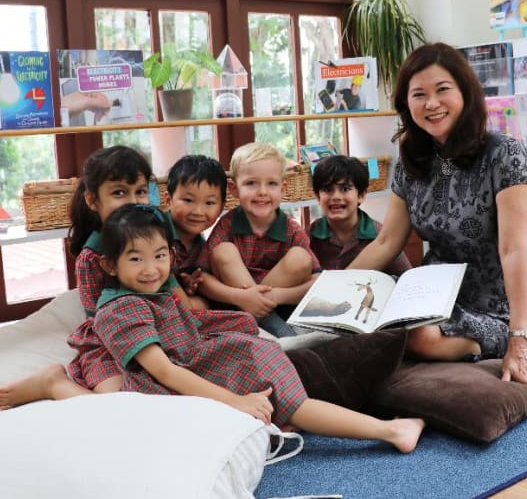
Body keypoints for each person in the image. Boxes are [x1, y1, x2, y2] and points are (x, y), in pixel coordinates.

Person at [26, 204, 426, 451]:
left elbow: (187, 324)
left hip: (193, 361)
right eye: (136, 259)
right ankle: (56, 385)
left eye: (160, 256)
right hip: (161, 379)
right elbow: (163, 371)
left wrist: (237, 324)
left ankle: (388, 429)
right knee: (115, 415)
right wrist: (233, 401)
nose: (152, 269)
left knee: (286, 390)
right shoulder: (118, 311)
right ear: (111, 266)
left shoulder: (158, 295)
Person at [348, 42, 527, 393]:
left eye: (442, 89)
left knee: (419, 337)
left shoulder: (505, 155)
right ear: (407, 105)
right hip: (431, 293)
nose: (431, 103)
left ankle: (487, 342)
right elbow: (387, 241)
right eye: (419, 94)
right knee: (372, 313)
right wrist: (335, 290)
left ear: (466, 93)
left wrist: (520, 341)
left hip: (492, 306)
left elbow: (514, 250)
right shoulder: (410, 161)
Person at [0, 145, 164, 407]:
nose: (133, 201)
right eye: (119, 193)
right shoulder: (92, 257)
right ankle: (53, 383)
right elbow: (99, 319)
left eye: (140, 192)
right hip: (110, 340)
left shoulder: (153, 232)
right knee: (119, 404)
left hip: (154, 328)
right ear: (93, 201)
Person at [196, 142, 320, 338]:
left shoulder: (291, 229)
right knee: (223, 251)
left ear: (283, 188)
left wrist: (274, 296)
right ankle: (284, 334)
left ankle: (263, 324)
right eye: (251, 183)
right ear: (234, 188)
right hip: (236, 305)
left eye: (271, 183)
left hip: (278, 304)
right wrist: (243, 297)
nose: (262, 192)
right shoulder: (227, 225)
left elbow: (316, 281)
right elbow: (202, 278)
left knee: (300, 257)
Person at [308, 154, 412, 276]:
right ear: (317, 196)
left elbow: (405, 277)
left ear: (361, 195)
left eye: (345, 189)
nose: (336, 196)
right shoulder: (308, 237)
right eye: (327, 189)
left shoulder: (379, 235)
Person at [159, 154, 229, 307]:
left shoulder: (203, 245)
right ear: (168, 200)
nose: (198, 211)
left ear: (222, 207)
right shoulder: (156, 232)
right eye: (188, 200)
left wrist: (190, 285)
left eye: (209, 202)